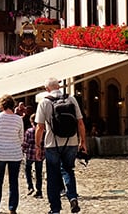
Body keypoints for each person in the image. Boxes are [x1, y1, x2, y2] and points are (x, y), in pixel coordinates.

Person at [35, 77, 86, 214]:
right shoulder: (72, 99)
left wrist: (38, 146)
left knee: (52, 175)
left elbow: (39, 127)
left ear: (47, 89)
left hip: (52, 144)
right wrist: (83, 142)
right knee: (68, 170)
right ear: (59, 87)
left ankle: (55, 209)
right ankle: (72, 197)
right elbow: (80, 123)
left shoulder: (44, 102)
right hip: (71, 142)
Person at [22, 113, 43, 198]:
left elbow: (26, 143)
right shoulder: (43, 131)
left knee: (27, 169)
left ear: (31, 122)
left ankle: (30, 186)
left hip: (30, 154)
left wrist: (23, 150)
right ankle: (39, 190)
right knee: (39, 173)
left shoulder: (29, 131)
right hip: (40, 155)